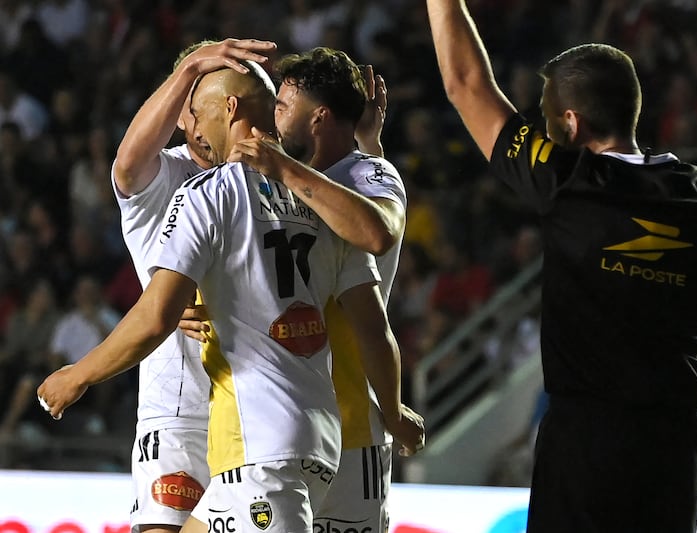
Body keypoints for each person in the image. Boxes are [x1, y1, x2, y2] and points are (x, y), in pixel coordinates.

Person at [424, 1, 697, 532]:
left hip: (584, 443)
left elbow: (466, 83)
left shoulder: (567, 179)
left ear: (571, 123)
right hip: (671, 448)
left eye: (549, 118)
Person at [38, 62, 423, 532]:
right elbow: (372, 324)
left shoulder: (206, 194)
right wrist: (393, 406)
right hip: (320, 438)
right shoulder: (327, 202)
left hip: (257, 441)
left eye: (197, 115)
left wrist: (77, 376)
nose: (193, 129)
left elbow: (156, 315)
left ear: (229, 109)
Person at [225, 46, 409, 533]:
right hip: (279, 422)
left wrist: (289, 167)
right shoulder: (293, 180)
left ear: (319, 117)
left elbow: (376, 230)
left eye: (284, 106)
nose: (273, 116)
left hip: (352, 420)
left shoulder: (365, 174)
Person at [111, 38, 279, 533]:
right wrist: (188, 69)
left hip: (254, 403)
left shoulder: (268, 178)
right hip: (179, 408)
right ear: (184, 111)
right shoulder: (165, 174)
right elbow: (125, 167)